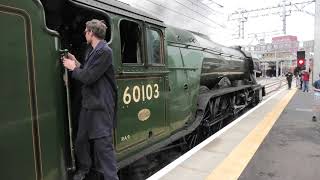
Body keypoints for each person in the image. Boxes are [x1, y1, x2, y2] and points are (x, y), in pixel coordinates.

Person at [63, 19, 119, 180]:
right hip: (89, 105)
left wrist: (72, 67)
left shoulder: (104, 51)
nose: (84, 33)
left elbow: (89, 77)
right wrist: (76, 62)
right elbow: (88, 71)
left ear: (91, 33)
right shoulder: (93, 50)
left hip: (100, 106)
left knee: (103, 148)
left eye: (86, 31)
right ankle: (85, 168)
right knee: (81, 140)